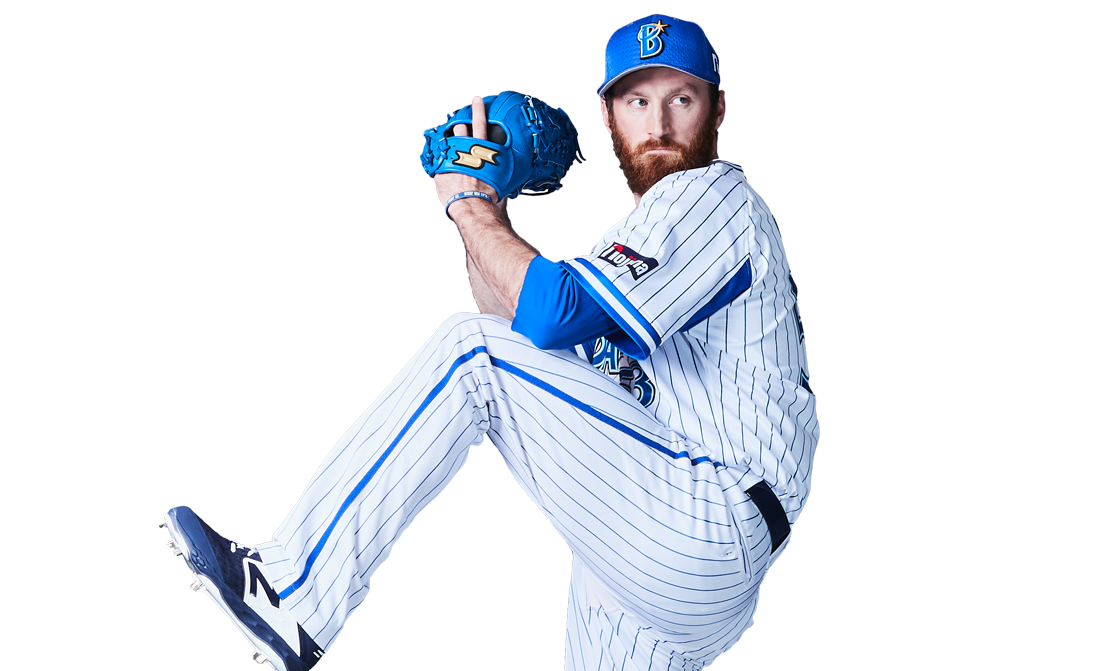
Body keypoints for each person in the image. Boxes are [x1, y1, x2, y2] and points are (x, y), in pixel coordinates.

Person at [161, 14, 818, 671]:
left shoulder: (713, 200)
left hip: (708, 519)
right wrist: (489, 207)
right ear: (611, 116)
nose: (660, 123)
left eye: (682, 98)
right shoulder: (642, 243)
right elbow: (525, 328)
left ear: (717, 109)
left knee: (470, 353)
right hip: (665, 539)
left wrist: (468, 202)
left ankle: (292, 591)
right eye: (638, 102)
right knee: (489, 351)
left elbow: (540, 321)